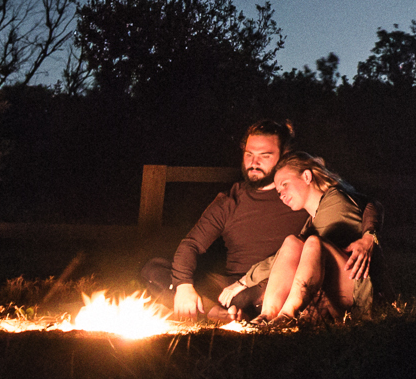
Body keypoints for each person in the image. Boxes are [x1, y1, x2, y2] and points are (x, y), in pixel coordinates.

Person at [139, 120, 379, 319]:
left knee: (267, 281)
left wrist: (369, 235)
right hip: (234, 283)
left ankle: (226, 311)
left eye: (265, 155)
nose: (254, 163)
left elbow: (366, 203)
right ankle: (217, 313)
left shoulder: (298, 192)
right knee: (154, 269)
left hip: (278, 280)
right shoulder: (230, 200)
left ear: (284, 156)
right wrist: (183, 285)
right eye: (249, 154)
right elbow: (191, 244)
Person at [217, 150, 376, 320]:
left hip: (360, 290)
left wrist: (244, 282)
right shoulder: (311, 221)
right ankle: (267, 316)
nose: (281, 195)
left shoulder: (335, 200)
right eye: (278, 191)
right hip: (338, 291)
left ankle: (287, 315)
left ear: (306, 177)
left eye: (285, 184)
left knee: (312, 243)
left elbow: (303, 256)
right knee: (292, 242)